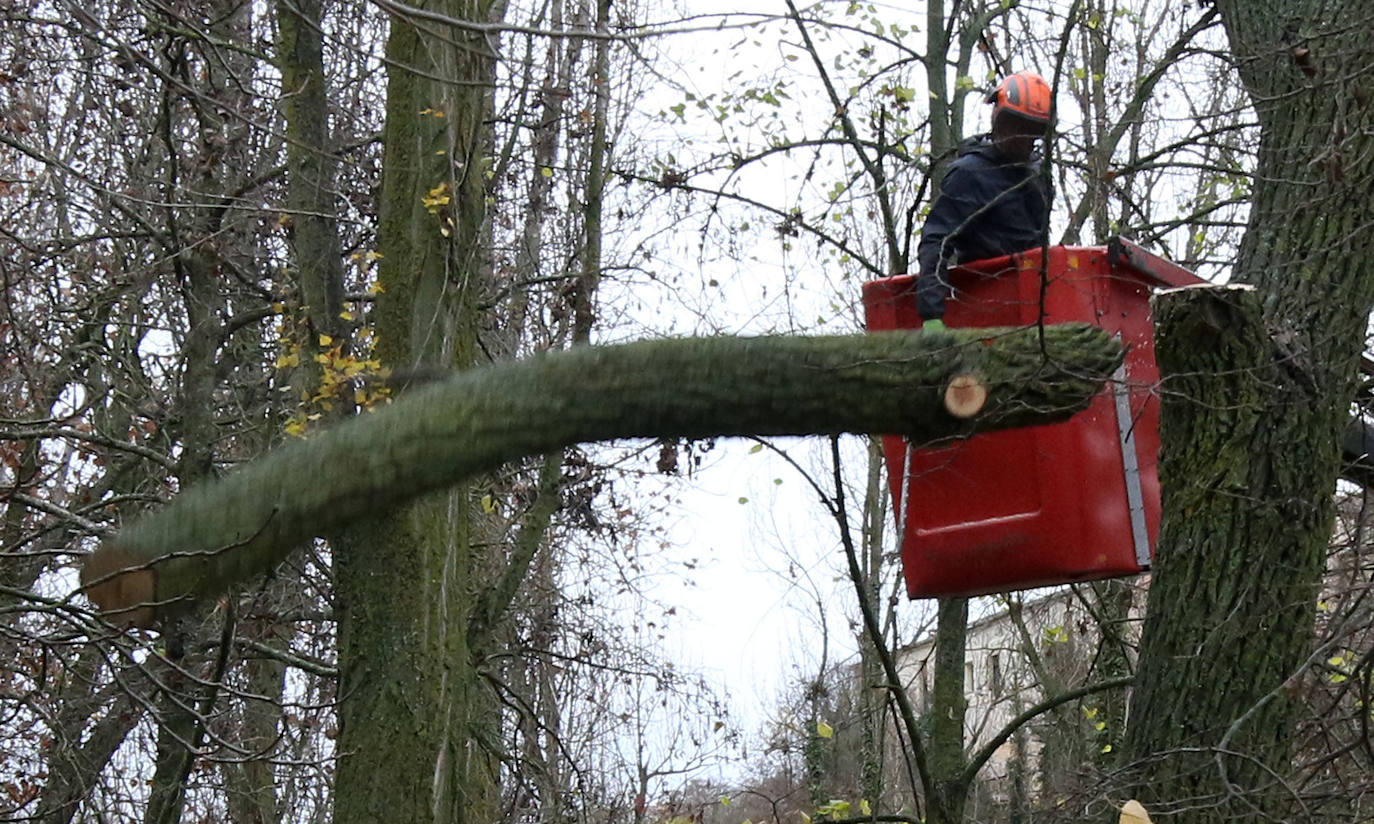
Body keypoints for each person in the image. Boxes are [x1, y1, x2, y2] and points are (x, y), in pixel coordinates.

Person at [915, 71, 1053, 331]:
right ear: (999, 120)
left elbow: (1041, 245)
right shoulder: (969, 174)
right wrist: (931, 312)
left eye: (1031, 130)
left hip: (1033, 303)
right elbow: (937, 240)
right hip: (984, 302)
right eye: (1016, 125)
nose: (1022, 136)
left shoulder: (1037, 174)